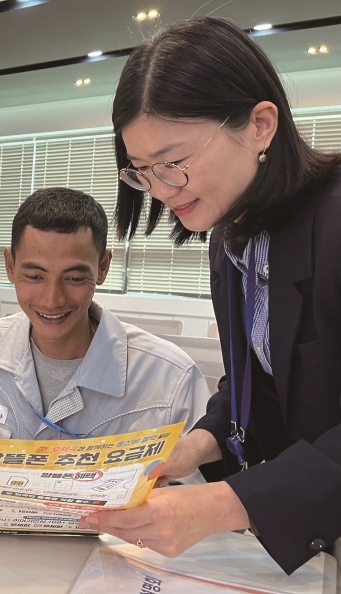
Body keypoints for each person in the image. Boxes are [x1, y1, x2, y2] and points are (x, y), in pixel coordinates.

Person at [79, 16, 341, 575]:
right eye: (143, 172)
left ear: (260, 125)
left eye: (174, 163)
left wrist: (227, 503)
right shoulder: (230, 238)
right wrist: (197, 445)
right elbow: (264, 386)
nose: (161, 191)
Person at [0, 187, 211, 471]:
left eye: (74, 277)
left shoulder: (169, 379)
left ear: (103, 267)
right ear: (10, 266)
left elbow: (194, 498)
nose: (52, 299)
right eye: (35, 276)